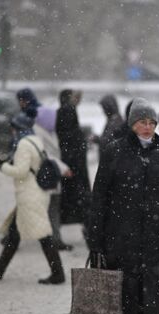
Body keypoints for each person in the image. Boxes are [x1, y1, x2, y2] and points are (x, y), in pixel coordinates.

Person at [88, 98, 159, 314]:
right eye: (141, 122)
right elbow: (99, 196)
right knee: (118, 285)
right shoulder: (115, 151)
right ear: (132, 124)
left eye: (151, 122)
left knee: (148, 287)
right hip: (120, 234)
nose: (147, 127)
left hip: (152, 235)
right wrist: (96, 239)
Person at [0, 112, 65, 284]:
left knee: (43, 235)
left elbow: (21, 172)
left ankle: (58, 273)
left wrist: (1, 166)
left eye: (13, 128)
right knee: (14, 233)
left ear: (18, 128)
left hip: (30, 195)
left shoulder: (23, 145)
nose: (12, 131)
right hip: (38, 193)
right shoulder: (35, 140)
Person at [16, 88, 73, 250]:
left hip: (49, 175)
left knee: (47, 207)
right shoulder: (39, 133)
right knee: (34, 207)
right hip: (44, 174)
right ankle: (12, 237)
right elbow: (45, 154)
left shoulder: (48, 130)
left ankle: (55, 239)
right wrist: (64, 168)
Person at [55, 89, 91, 226]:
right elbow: (71, 135)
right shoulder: (68, 111)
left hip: (70, 161)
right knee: (80, 197)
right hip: (74, 163)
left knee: (69, 197)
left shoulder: (64, 110)